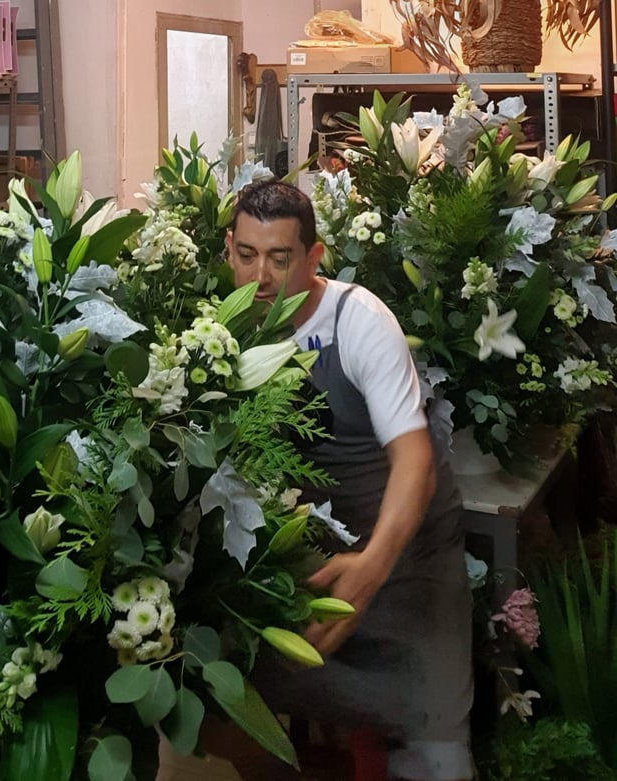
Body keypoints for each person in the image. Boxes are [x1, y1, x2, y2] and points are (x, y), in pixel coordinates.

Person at [222, 178, 474, 781]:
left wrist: (371, 567)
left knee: (434, 751)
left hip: (403, 552)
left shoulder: (358, 322)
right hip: (311, 553)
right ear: (227, 250)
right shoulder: (226, 328)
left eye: (280, 258)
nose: (260, 276)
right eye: (247, 255)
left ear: (313, 257)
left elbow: (413, 461)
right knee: (227, 688)